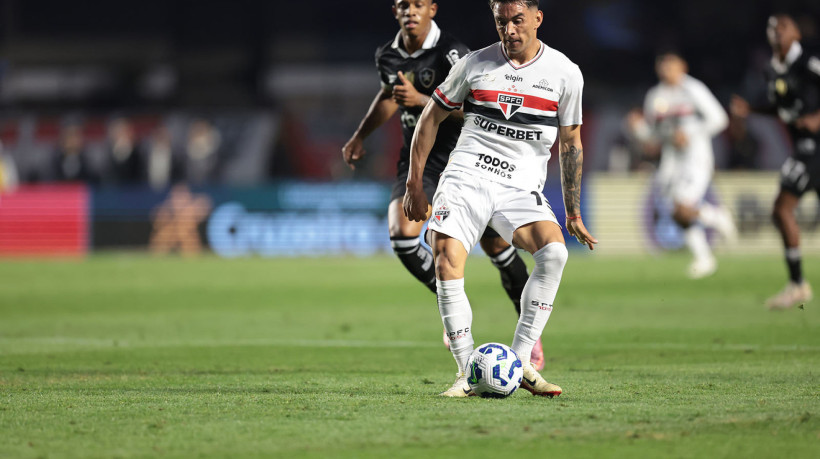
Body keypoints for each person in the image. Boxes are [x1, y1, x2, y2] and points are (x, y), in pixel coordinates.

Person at [404, 0, 597, 397]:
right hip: (466, 177)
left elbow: (571, 142)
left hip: (519, 187)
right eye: (501, 22)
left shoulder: (564, 74)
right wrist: (414, 184)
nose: (509, 30)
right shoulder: (475, 64)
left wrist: (573, 211)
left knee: (555, 253)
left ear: (538, 19)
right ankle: (465, 372)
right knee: (446, 257)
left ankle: (522, 361)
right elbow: (431, 117)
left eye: (517, 21)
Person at [342, 0, 544, 368]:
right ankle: (454, 308)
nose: (410, 11)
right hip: (418, 158)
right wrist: (360, 136)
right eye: (404, 5)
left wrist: (423, 100)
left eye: (418, 4)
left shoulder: (454, 54)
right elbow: (389, 96)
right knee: (402, 237)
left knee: (498, 247)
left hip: (463, 158)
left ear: (432, 9)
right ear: (395, 11)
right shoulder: (387, 55)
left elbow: (478, 108)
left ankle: (530, 333)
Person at [732, 14, 818, 309]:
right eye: (772, 29)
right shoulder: (772, 70)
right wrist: (752, 110)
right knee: (781, 211)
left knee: (782, 209)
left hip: (814, 148)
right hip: (804, 147)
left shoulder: (809, 62)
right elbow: (783, 110)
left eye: (783, 27)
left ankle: (797, 285)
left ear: (796, 32)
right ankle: (797, 285)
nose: (777, 32)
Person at [630, 53, 737, 279]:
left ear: (683, 67)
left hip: (696, 158)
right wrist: (638, 129)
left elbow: (719, 119)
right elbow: (654, 135)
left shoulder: (693, 89)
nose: (666, 70)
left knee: (682, 204)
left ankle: (715, 218)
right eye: (663, 66)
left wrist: (689, 133)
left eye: (671, 65)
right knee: (677, 212)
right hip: (671, 161)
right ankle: (705, 254)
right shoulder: (656, 95)